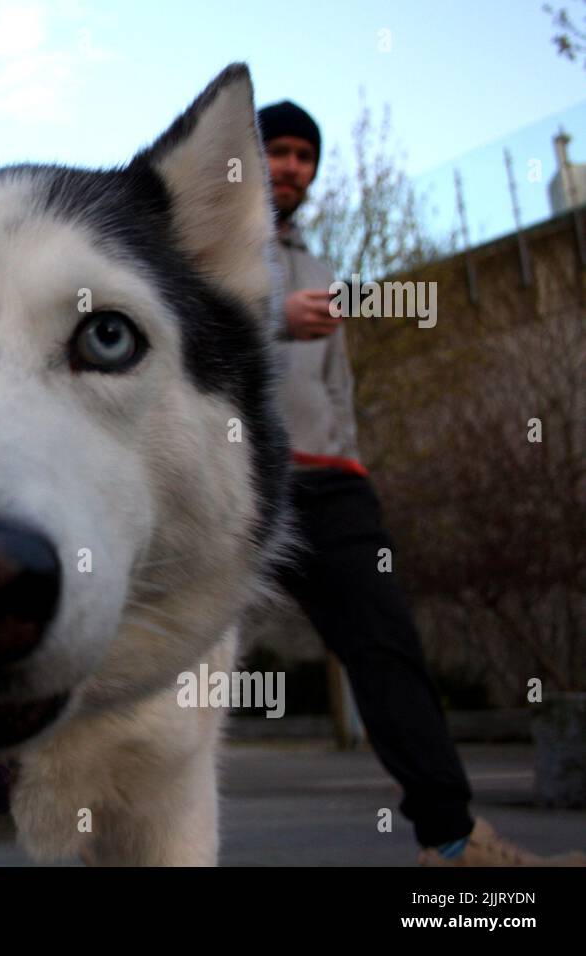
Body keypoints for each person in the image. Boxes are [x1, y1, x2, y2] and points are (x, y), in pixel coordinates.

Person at [258, 100, 583, 867]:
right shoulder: (205, 247)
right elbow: (173, 326)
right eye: (278, 151)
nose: (293, 167)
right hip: (238, 484)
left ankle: (453, 842)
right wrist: (271, 314)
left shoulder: (318, 265)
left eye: (306, 155)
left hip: (332, 485)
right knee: (165, 657)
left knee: (388, 650)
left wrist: (352, 454)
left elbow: (332, 380)